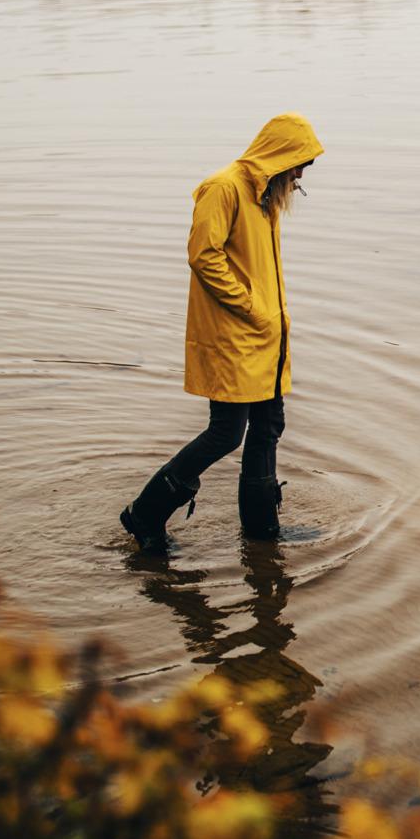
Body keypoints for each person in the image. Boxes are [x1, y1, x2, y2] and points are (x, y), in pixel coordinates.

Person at [121, 113, 324, 552]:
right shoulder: (224, 188)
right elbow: (203, 255)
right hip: (236, 334)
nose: (303, 172)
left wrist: (270, 318)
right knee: (226, 433)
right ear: (279, 155)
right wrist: (250, 307)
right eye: (301, 161)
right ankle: (145, 515)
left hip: (265, 337)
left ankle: (261, 531)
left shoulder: (264, 194)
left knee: (269, 424)